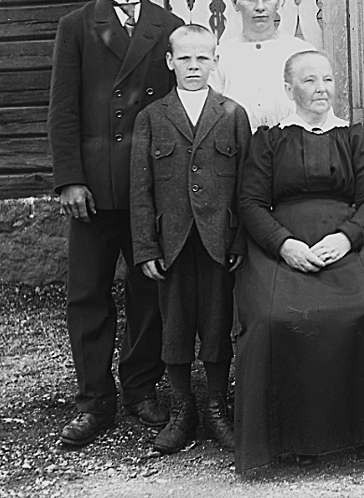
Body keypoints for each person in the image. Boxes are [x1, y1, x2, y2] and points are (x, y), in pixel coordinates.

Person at [235, 51, 364, 472]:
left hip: (345, 243)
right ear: (289, 88)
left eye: (327, 80)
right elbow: (251, 202)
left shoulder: (352, 137)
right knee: (275, 318)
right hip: (283, 247)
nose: (321, 89)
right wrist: (283, 245)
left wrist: (347, 238)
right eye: (309, 80)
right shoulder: (269, 140)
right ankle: (295, 437)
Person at [48, 0, 183, 446]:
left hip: (148, 183)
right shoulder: (78, 26)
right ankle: (94, 402)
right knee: (87, 294)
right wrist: (69, 180)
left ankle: (141, 390)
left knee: (149, 290)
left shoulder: (169, 26)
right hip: (95, 188)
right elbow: (63, 110)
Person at [130, 25, 252, 454]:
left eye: (202, 58)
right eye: (185, 58)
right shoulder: (151, 117)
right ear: (170, 62)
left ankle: (217, 407)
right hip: (172, 240)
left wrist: (240, 240)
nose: (194, 66)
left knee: (218, 323)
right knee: (175, 324)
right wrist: (146, 245)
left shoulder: (232, 114)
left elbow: (246, 185)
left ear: (215, 60)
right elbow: (140, 188)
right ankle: (182, 408)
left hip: (219, 238)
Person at [209, 0, 315, 129]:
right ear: (235, 2)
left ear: (278, 1)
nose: (260, 7)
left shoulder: (302, 53)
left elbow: (318, 111)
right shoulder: (220, 56)